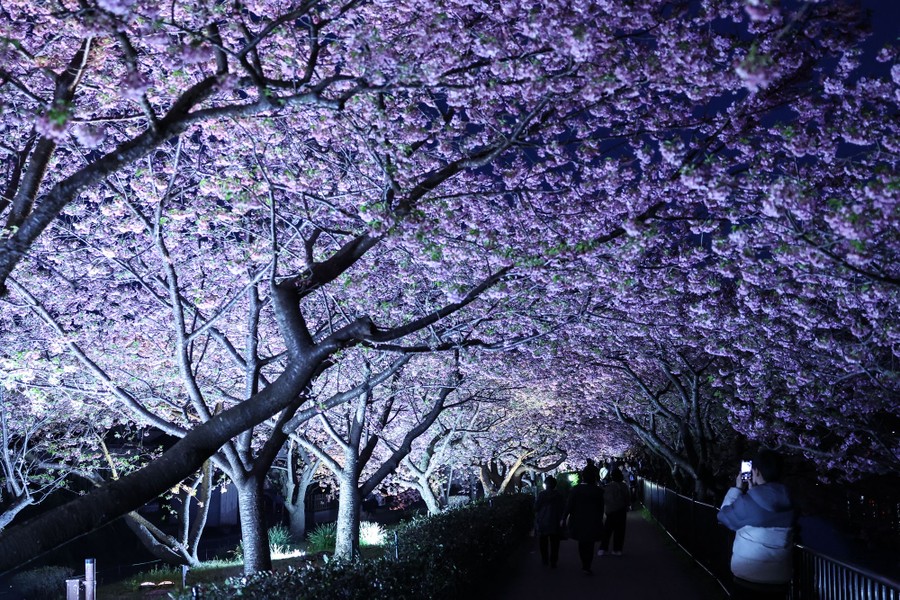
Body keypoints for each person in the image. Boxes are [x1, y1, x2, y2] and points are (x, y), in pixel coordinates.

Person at [717, 448, 794, 599]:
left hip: (749, 576)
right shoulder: (790, 499)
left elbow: (724, 517)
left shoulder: (749, 503)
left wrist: (738, 488)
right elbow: (767, 505)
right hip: (780, 578)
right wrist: (755, 492)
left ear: (756, 472)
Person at [564, 463, 605, 574]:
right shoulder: (598, 491)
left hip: (578, 520)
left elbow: (569, 505)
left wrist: (564, 518)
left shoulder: (576, 490)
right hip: (593, 520)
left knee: (582, 543)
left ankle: (584, 564)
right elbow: (601, 508)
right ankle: (587, 565)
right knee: (590, 544)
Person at [598, 467, 631, 556]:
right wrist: (627, 506)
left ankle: (603, 548)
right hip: (621, 510)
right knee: (620, 531)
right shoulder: (624, 486)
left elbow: (605, 499)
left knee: (607, 530)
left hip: (611, 511)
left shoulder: (608, 487)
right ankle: (617, 549)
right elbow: (627, 497)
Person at [534, 475, 566, 567]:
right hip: (555, 521)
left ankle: (545, 559)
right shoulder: (559, 495)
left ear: (545, 484)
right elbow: (563, 507)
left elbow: (536, 507)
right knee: (555, 543)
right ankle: (553, 561)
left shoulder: (541, 495)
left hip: (543, 521)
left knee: (543, 542)